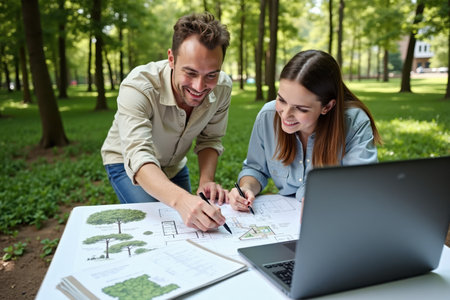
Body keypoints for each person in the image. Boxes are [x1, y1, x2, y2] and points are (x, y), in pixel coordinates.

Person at [101, 12, 232, 231]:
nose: (199, 87)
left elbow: (211, 139)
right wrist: (181, 200)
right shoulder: (137, 87)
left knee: (190, 227)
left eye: (211, 75)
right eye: (190, 73)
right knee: (160, 230)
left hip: (174, 165)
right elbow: (139, 156)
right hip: (127, 164)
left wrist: (206, 181)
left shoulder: (223, 89)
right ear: (171, 59)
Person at [229, 50, 382, 212]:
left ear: (327, 107)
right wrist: (247, 187)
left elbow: (361, 184)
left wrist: (320, 198)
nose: (285, 114)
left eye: (301, 108)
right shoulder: (268, 116)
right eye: (281, 100)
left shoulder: (354, 122)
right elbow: (255, 169)